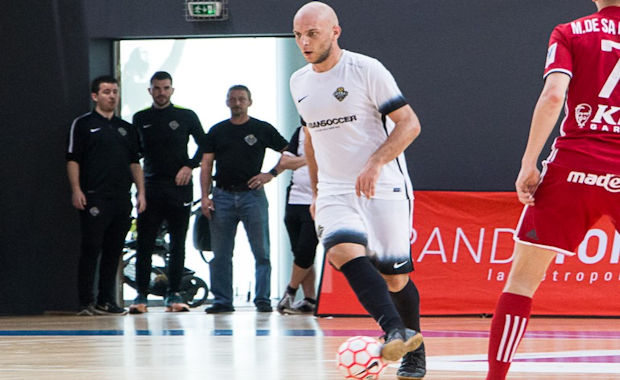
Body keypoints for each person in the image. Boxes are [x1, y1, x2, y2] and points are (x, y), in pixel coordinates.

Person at [290, 2, 425, 377]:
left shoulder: (367, 69)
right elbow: (311, 139)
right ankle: (394, 330)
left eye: (312, 33)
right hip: (334, 189)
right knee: (340, 250)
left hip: (382, 186)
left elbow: (409, 124)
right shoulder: (298, 81)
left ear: (335, 31)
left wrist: (375, 163)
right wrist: (317, 193)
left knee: (395, 276)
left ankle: (415, 348)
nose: (304, 41)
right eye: (298, 34)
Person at [486, 2, 620, 379]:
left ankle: (496, 377)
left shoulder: (570, 32)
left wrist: (529, 162)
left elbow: (552, 96)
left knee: (522, 283)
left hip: (573, 166)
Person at [200, 85, 288, 313]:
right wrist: (204, 197)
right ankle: (222, 300)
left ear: (250, 102)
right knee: (220, 254)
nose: (237, 103)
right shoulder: (217, 131)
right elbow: (206, 164)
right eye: (233, 99)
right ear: (227, 102)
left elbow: (291, 154)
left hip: (253, 197)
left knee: (262, 252)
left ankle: (262, 299)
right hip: (222, 197)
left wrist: (271, 174)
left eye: (241, 99)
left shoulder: (261, 128)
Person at [66, 75, 146, 316]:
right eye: (106, 92)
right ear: (95, 96)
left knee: (114, 250)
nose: (112, 96)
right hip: (94, 196)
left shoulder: (127, 128)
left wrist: (141, 192)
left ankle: (106, 300)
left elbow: (134, 163)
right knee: (91, 248)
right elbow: (73, 159)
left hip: (121, 198)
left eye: (114, 92)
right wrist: (76, 189)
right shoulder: (83, 124)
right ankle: (85, 302)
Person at [129, 71, 206, 313]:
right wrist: (138, 190)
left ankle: (173, 294)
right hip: (151, 188)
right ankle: (140, 296)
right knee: (145, 244)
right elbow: (133, 155)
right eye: (157, 88)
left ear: (172, 90)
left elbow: (206, 146)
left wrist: (189, 166)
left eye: (166, 88)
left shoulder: (186, 116)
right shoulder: (140, 118)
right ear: (150, 91)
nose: (161, 92)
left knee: (177, 245)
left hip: (179, 189)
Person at [275, 126, 319, 315]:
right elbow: (285, 161)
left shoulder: (330, 129)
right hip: (295, 198)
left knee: (305, 250)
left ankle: (290, 292)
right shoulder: (300, 131)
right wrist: (310, 158)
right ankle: (310, 299)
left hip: (318, 200)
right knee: (299, 254)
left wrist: (299, 160)